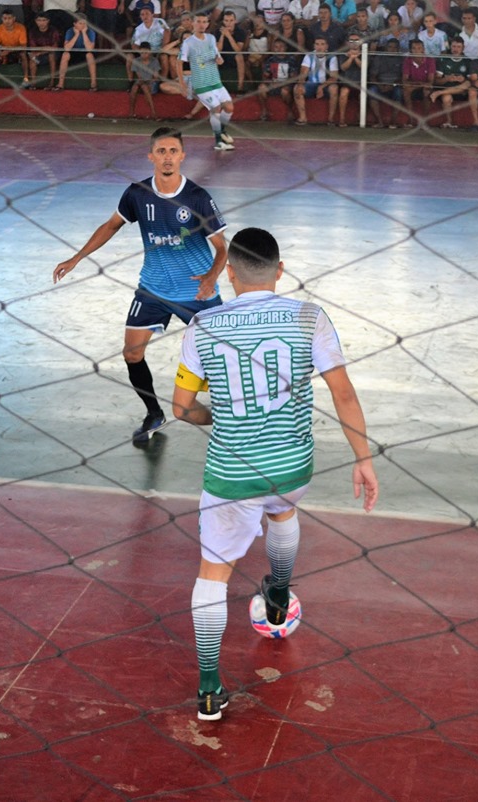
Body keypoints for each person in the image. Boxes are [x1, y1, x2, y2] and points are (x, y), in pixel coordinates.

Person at [171, 226, 379, 722]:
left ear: (232, 274)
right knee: (282, 513)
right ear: (280, 270)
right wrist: (363, 459)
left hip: (231, 475)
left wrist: (214, 417)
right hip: (292, 464)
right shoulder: (310, 316)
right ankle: (279, 597)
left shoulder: (204, 326)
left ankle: (208, 689)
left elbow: (181, 409)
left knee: (212, 575)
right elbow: (343, 392)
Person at [52, 128, 228, 445]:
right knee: (132, 353)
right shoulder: (137, 193)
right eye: (161, 151)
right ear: (151, 156)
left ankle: (237, 416)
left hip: (196, 292)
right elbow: (111, 225)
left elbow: (222, 248)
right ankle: (153, 413)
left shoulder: (198, 197)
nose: (167, 157)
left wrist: (212, 276)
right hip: (153, 289)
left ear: (183, 156)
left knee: (223, 359)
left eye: (173, 151)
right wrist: (77, 257)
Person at [178, 12, 236, 150]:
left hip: (215, 80)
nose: (201, 24)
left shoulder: (210, 38)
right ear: (193, 23)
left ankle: (221, 131)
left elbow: (218, 57)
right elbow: (179, 62)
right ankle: (218, 141)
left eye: (204, 22)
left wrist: (219, 59)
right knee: (216, 108)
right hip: (201, 82)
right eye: (198, 21)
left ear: (208, 24)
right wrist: (182, 84)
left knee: (229, 107)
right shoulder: (188, 42)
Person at [294, 32, 338, 124]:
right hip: (311, 84)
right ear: (314, 46)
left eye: (322, 44)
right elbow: (303, 73)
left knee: (334, 88)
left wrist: (321, 87)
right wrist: (300, 84)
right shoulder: (309, 56)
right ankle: (303, 118)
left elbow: (334, 77)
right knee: (297, 89)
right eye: (317, 44)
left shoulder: (332, 57)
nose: (319, 47)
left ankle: (331, 119)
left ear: (327, 46)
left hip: (326, 85)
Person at [429, 35, 470, 127]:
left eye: (459, 47)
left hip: (461, 91)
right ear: (450, 47)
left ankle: (439, 93)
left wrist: (463, 79)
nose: (456, 49)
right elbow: (436, 81)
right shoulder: (444, 60)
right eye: (454, 46)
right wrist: (447, 78)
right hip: (447, 88)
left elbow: (470, 81)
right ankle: (449, 121)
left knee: (468, 83)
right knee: (446, 97)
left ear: (463, 48)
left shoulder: (467, 61)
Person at [257, 36, 297, 120]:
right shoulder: (270, 60)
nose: (279, 49)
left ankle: (290, 110)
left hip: (286, 85)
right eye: (276, 47)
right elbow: (265, 76)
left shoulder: (291, 59)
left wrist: (283, 83)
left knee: (285, 91)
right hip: (273, 83)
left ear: (286, 47)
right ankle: (264, 110)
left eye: (281, 46)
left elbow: (293, 77)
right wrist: (270, 82)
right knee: (261, 88)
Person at [54, 13, 97, 91]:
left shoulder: (91, 32)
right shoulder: (70, 31)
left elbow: (89, 49)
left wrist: (84, 33)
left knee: (90, 55)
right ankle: (60, 84)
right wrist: (76, 35)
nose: (83, 25)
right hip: (73, 54)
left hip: (84, 54)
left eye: (84, 23)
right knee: (65, 55)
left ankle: (93, 84)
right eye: (80, 23)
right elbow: (66, 48)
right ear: (75, 24)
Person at [0, 9, 28, 88]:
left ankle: (26, 79)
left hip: (16, 51)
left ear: (14, 18)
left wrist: (9, 50)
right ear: (2, 19)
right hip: (3, 51)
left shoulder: (21, 28)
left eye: (9, 18)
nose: (7, 21)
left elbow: (23, 46)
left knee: (23, 54)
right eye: (5, 18)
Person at [401, 36, 434, 126]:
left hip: (423, 86)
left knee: (427, 90)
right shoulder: (407, 61)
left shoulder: (430, 60)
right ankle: (410, 120)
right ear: (411, 50)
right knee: (406, 91)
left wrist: (419, 84)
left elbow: (430, 81)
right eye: (414, 48)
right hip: (414, 86)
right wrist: (419, 84)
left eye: (419, 48)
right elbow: (405, 80)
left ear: (423, 49)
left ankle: (425, 120)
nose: (417, 50)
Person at [26, 11, 60, 87]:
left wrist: (41, 51)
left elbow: (54, 47)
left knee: (51, 55)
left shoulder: (53, 30)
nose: (41, 23)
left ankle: (52, 82)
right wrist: (46, 48)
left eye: (44, 20)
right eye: (39, 20)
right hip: (38, 55)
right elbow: (33, 48)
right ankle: (33, 83)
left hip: (51, 54)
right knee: (32, 59)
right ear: (35, 21)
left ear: (48, 21)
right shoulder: (32, 31)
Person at [129, 41, 160, 116]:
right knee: (135, 88)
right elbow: (139, 76)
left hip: (152, 83)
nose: (144, 55)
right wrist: (142, 81)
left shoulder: (154, 61)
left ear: (149, 52)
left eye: (146, 52)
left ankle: (153, 112)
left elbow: (156, 77)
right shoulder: (136, 61)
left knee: (144, 86)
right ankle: (132, 112)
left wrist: (149, 82)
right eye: (142, 53)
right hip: (141, 82)